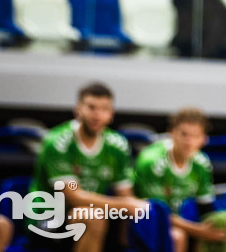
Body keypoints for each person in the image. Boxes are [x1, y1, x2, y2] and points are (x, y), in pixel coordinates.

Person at [29, 82, 147, 252]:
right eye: (91, 107)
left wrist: (135, 211)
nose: (97, 115)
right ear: (78, 109)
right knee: (93, 216)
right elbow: (73, 197)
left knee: (143, 218)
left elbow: (125, 195)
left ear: (111, 114)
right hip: (48, 217)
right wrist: (126, 205)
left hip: (95, 215)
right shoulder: (58, 142)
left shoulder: (117, 145)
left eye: (104, 109)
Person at [134, 108, 226, 252]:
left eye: (195, 136)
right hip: (141, 218)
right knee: (177, 236)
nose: (189, 141)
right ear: (171, 133)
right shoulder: (152, 161)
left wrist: (215, 227)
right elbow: (156, 213)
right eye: (184, 134)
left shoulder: (201, 163)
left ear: (204, 139)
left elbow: (206, 209)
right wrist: (199, 230)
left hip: (177, 220)